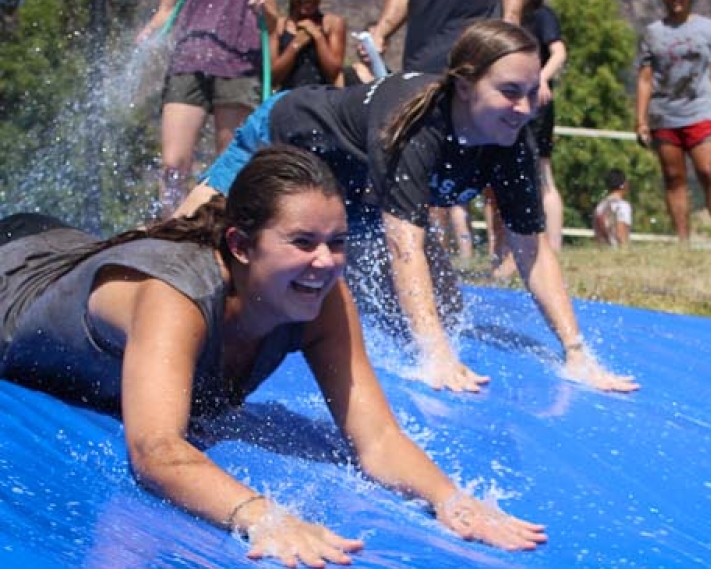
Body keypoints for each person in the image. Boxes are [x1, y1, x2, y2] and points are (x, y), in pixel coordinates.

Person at [0, 146, 548, 566]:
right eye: (302, 241)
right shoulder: (174, 297)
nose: (325, 260)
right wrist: (262, 516)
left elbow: (377, 438)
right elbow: (156, 450)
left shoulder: (324, 296)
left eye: (336, 241)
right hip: (13, 268)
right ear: (240, 246)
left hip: (61, 249)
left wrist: (450, 500)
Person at [177, 21, 638, 394]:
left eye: (532, 90)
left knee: (448, 312)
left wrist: (576, 352)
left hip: (355, 199)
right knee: (188, 239)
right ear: (463, 86)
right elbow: (404, 247)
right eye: (509, 92)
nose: (523, 107)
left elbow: (531, 250)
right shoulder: (415, 126)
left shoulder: (510, 139)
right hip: (284, 138)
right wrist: (434, 355)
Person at [137, 0, 278, 219]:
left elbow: (272, 22)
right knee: (172, 164)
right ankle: (170, 228)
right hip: (188, 61)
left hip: (239, 64)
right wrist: (150, 34)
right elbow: (166, 10)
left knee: (231, 161)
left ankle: (220, 229)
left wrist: (264, 9)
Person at [635, 0, 711, 244]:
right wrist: (641, 120)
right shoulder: (652, 33)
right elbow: (645, 79)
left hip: (700, 111)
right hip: (664, 114)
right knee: (673, 176)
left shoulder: (710, 29)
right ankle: (683, 240)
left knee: (709, 171)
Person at [361, 0, 524, 75]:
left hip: (472, 59)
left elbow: (511, 16)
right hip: (421, 61)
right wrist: (379, 34)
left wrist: (510, 46)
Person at [521, 0, 567, 252]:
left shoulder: (541, 15)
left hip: (536, 105)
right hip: (509, 105)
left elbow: (559, 52)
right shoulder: (500, 12)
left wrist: (540, 78)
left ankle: (554, 245)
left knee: (542, 172)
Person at [270, 0, 346, 90]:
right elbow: (273, 78)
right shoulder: (279, 26)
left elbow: (333, 72)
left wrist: (318, 37)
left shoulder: (332, 24)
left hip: (322, 95)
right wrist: (295, 45)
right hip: (289, 97)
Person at [593, 169, 633, 248]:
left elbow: (597, 234)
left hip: (602, 251)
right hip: (616, 253)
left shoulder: (600, 206)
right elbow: (620, 233)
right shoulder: (622, 206)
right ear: (624, 184)